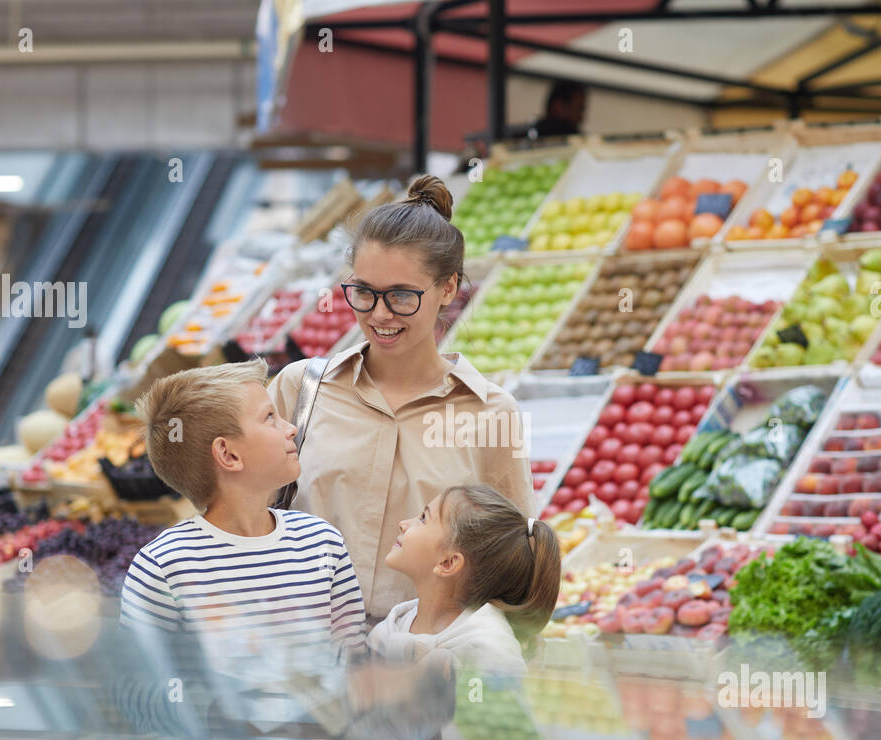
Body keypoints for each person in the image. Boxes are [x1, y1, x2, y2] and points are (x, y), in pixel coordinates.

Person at [268, 175, 536, 623]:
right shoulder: (300, 390)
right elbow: (242, 515)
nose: (379, 314)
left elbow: (514, 564)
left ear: (448, 288)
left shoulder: (491, 414)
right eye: (364, 292)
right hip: (305, 656)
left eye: (401, 296)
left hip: (426, 666)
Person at [120, 359, 366, 701]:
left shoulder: (321, 542)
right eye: (270, 417)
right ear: (228, 454)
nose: (291, 428)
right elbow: (135, 691)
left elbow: (355, 662)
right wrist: (222, 716)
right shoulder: (165, 566)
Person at [367, 484, 562, 676]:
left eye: (423, 518)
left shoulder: (490, 651)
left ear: (448, 562)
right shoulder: (388, 630)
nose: (403, 523)